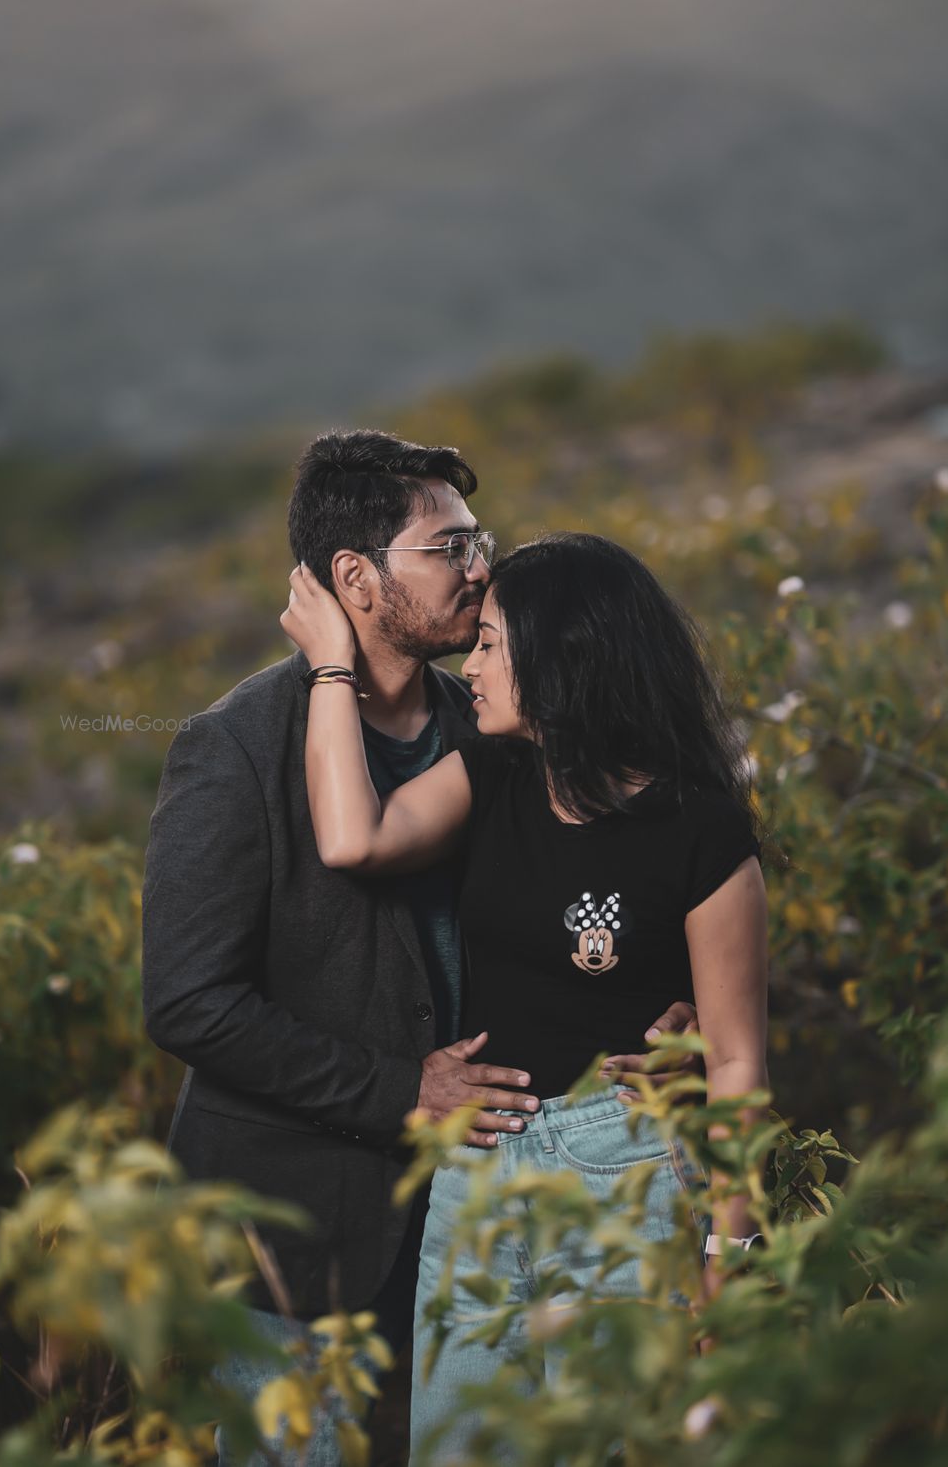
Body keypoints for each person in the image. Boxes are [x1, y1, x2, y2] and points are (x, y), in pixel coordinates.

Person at [141, 431, 700, 1467]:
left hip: (483, 1206)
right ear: (355, 577)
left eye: (477, 540)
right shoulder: (235, 747)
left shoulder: (495, 720)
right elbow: (187, 1002)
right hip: (292, 1230)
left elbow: (615, 881)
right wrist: (406, 1089)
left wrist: (674, 1003)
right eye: (449, 547)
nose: (481, 567)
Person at [280, 529, 770, 1465]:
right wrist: (331, 668)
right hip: (476, 1169)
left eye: (495, 642)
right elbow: (354, 839)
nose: (475, 662)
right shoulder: (495, 775)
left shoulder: (700, 833)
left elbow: (739, 1059)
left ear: (564, 660)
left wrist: (731, 1259)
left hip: (620, 1166)